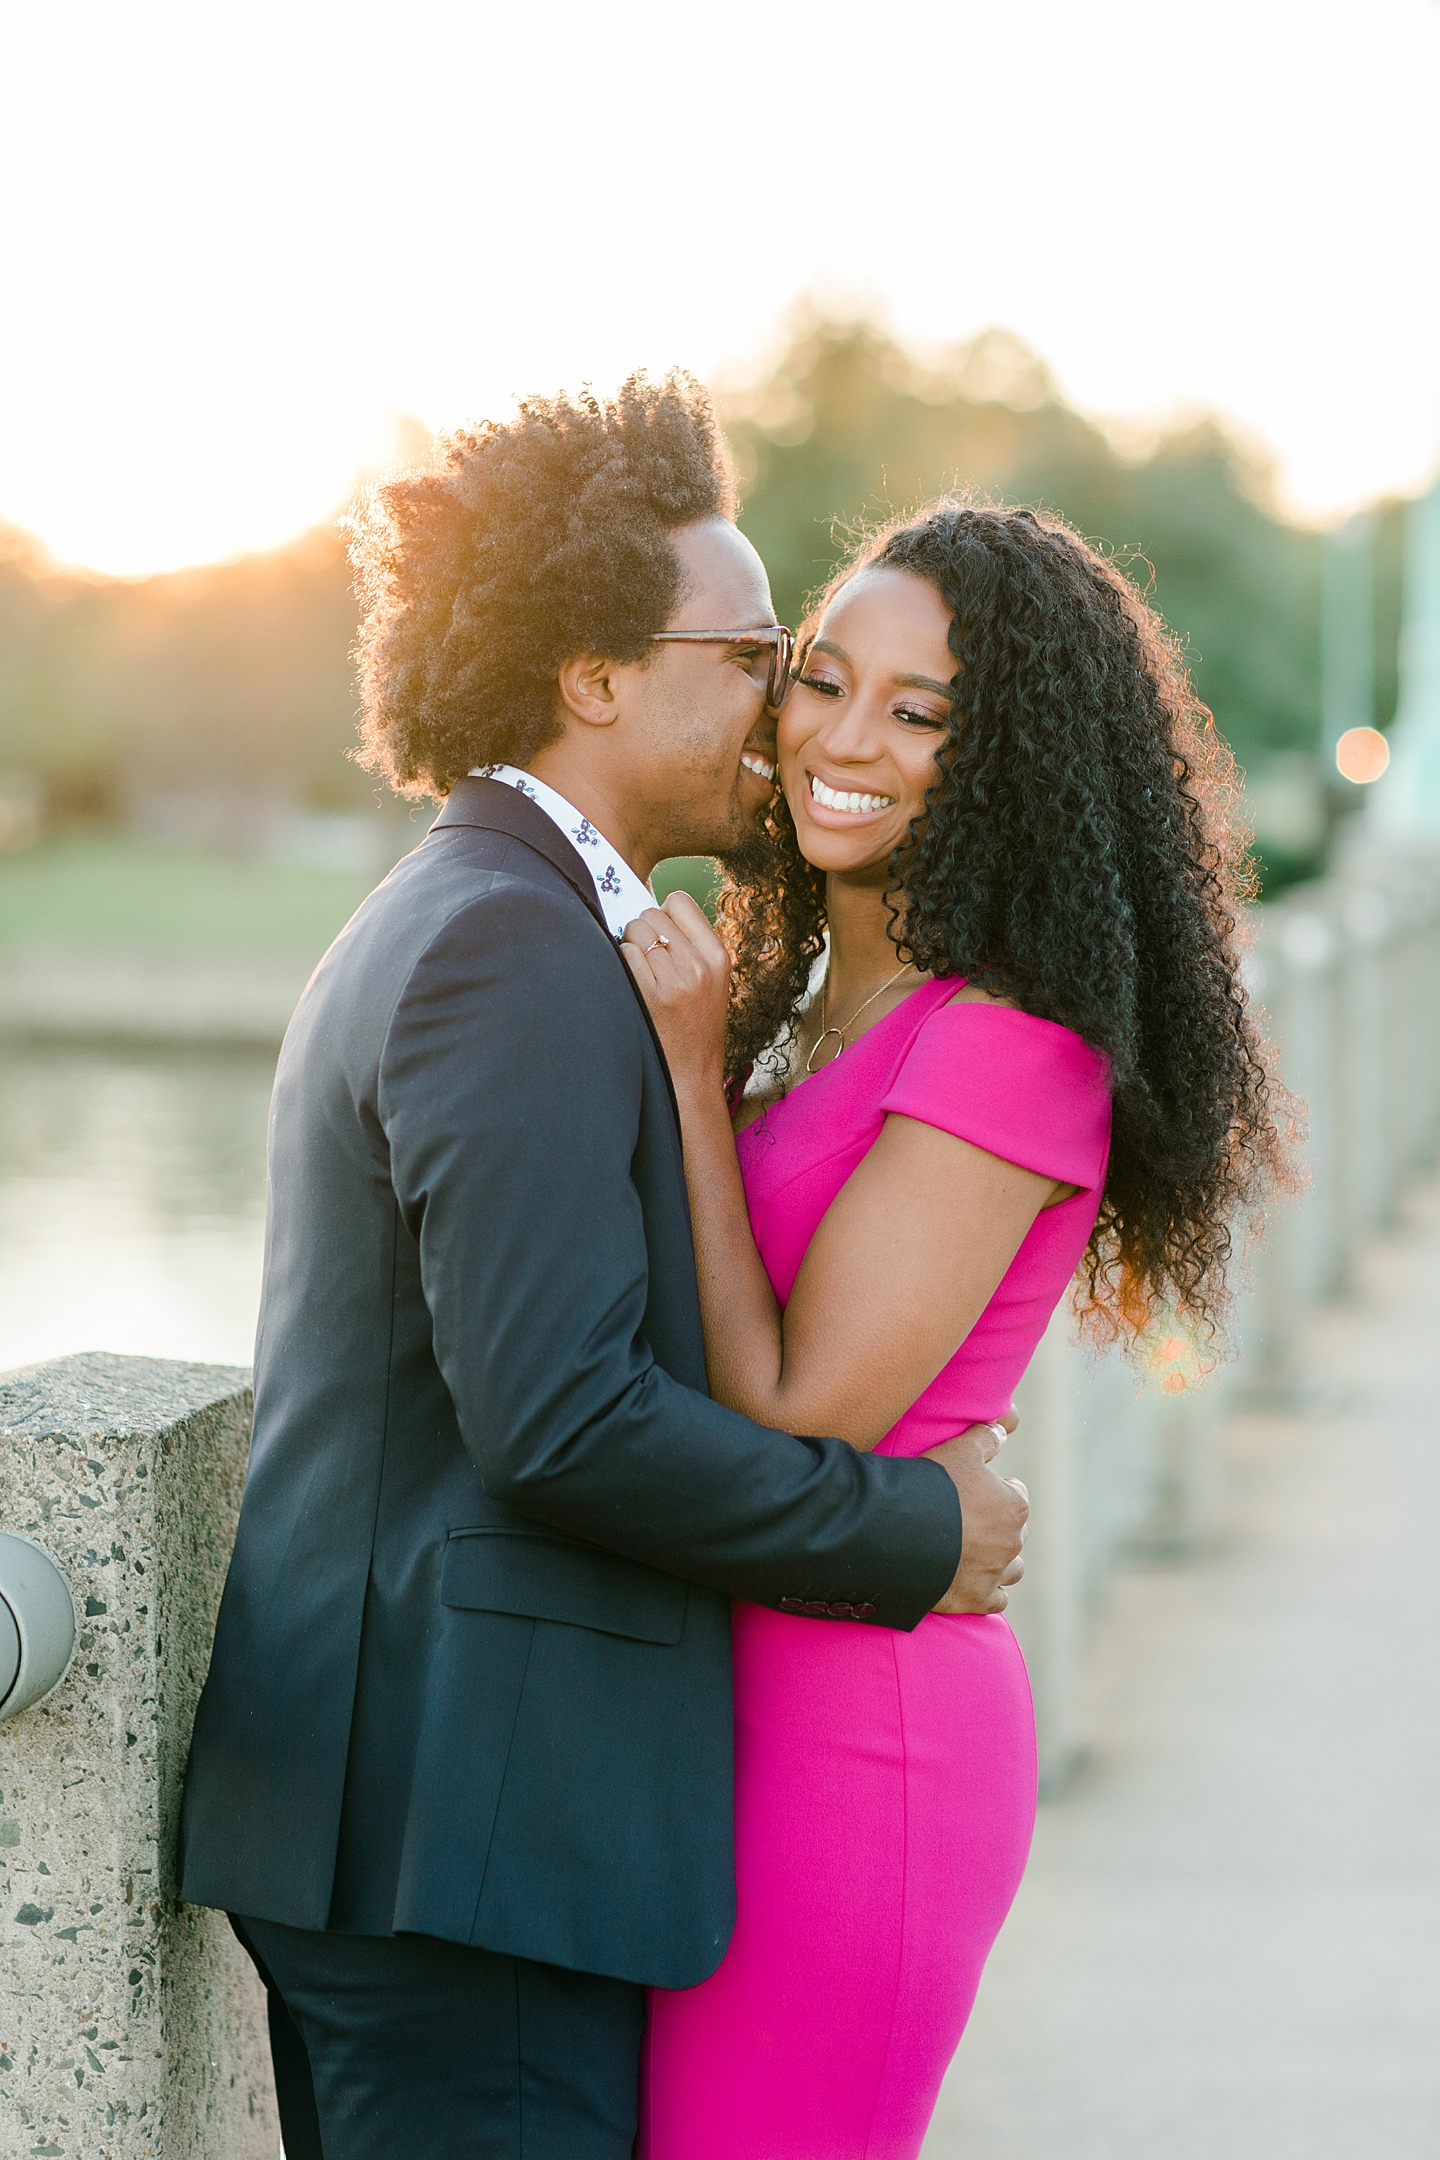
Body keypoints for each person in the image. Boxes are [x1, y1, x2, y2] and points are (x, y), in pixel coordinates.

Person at [178, 378, 1029, 2160]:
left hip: (432, 1832)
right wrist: (910, 1534)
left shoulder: (506, 916)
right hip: (458, 1857)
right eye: (755, 651)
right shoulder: (510, 945)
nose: (782, 708)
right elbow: (559, 1417)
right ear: (594, 677)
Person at [622, 501, 1288, 2159]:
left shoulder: (1004, 1049)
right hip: (721, 1697)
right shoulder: (813, 1006)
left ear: (1013, 764)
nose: (847, 739)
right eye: (823, 682)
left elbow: (798, 1408)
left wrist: (691, 1081)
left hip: (864, 1736)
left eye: (920, 714)